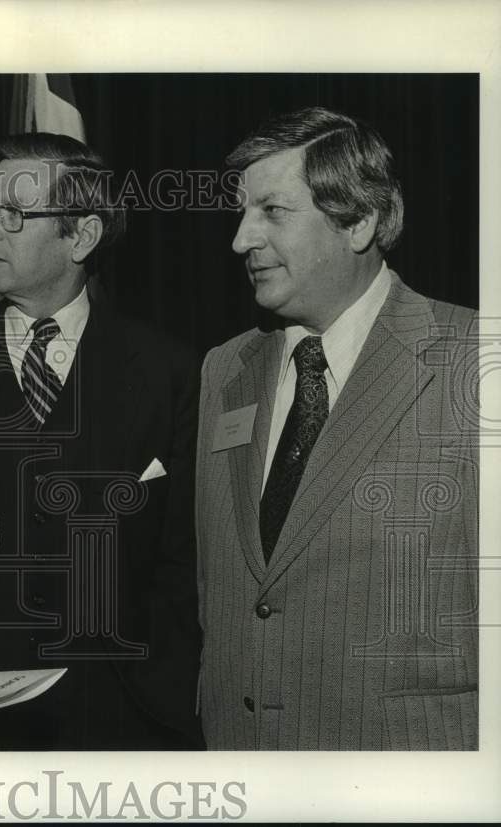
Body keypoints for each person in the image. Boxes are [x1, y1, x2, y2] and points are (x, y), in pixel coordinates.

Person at [0, 133, 202, 749]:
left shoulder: (172, 373)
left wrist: (162, 714)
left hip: (113, 736)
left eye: (13, 214)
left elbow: (185, 573)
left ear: (81, 235)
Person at [196, 107, 478, 749]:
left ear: (359, 222)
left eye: (272, 211)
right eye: (242, 213)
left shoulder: (471, 359)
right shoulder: (224, 370)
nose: (241, 239)